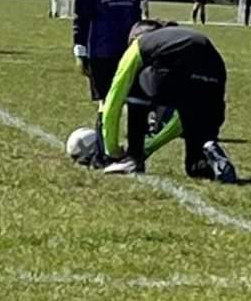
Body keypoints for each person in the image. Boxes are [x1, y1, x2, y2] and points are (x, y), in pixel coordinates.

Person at [96, 20, 236, 182]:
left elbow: (115, 98)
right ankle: (208, 150)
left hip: (179, 77)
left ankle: (133, 158)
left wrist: (112, 150)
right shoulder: (173, 39)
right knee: (195, 167)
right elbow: (181, 121)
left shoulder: (139, 45)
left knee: (133, 82)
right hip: (213, 76)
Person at [73, 0, 141, 145]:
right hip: (100, 50)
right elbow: (81, 16)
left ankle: (132, 145)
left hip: (129, 50)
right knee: (107, 100)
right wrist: (80, 49)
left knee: (134, 100)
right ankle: (103, 147)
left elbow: (136, 14)